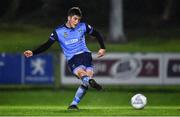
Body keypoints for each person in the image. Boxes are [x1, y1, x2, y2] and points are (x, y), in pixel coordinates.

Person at [24, 7, 106, 110]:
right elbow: (47, 45)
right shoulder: (59, 32)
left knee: (82, 75)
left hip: (80, 56)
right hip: (85, 56)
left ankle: (88, 82)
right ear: (69, 18)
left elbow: (96, 33)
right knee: (86, 81)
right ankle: (74, 104)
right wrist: (33, 52)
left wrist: (103, 47)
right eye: (75, 19)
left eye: (79, 19)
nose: (77, 22)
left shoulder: (83, 26)